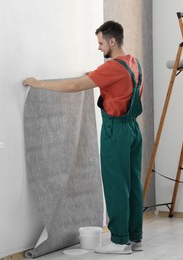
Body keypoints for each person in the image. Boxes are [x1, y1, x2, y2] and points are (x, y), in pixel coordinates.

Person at [23, 20, 144, 255]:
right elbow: (120, 86)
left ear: (112, 41)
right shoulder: (133, 62)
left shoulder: (112, 67)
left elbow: (76, 86)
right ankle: (135, 238)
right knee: (133, 184)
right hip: (132, 130)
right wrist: (97, 76)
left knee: (116, 184)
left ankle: (120, 242)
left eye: (100, 43)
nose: (98, 48)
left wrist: (40, 84)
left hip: (115, 131)